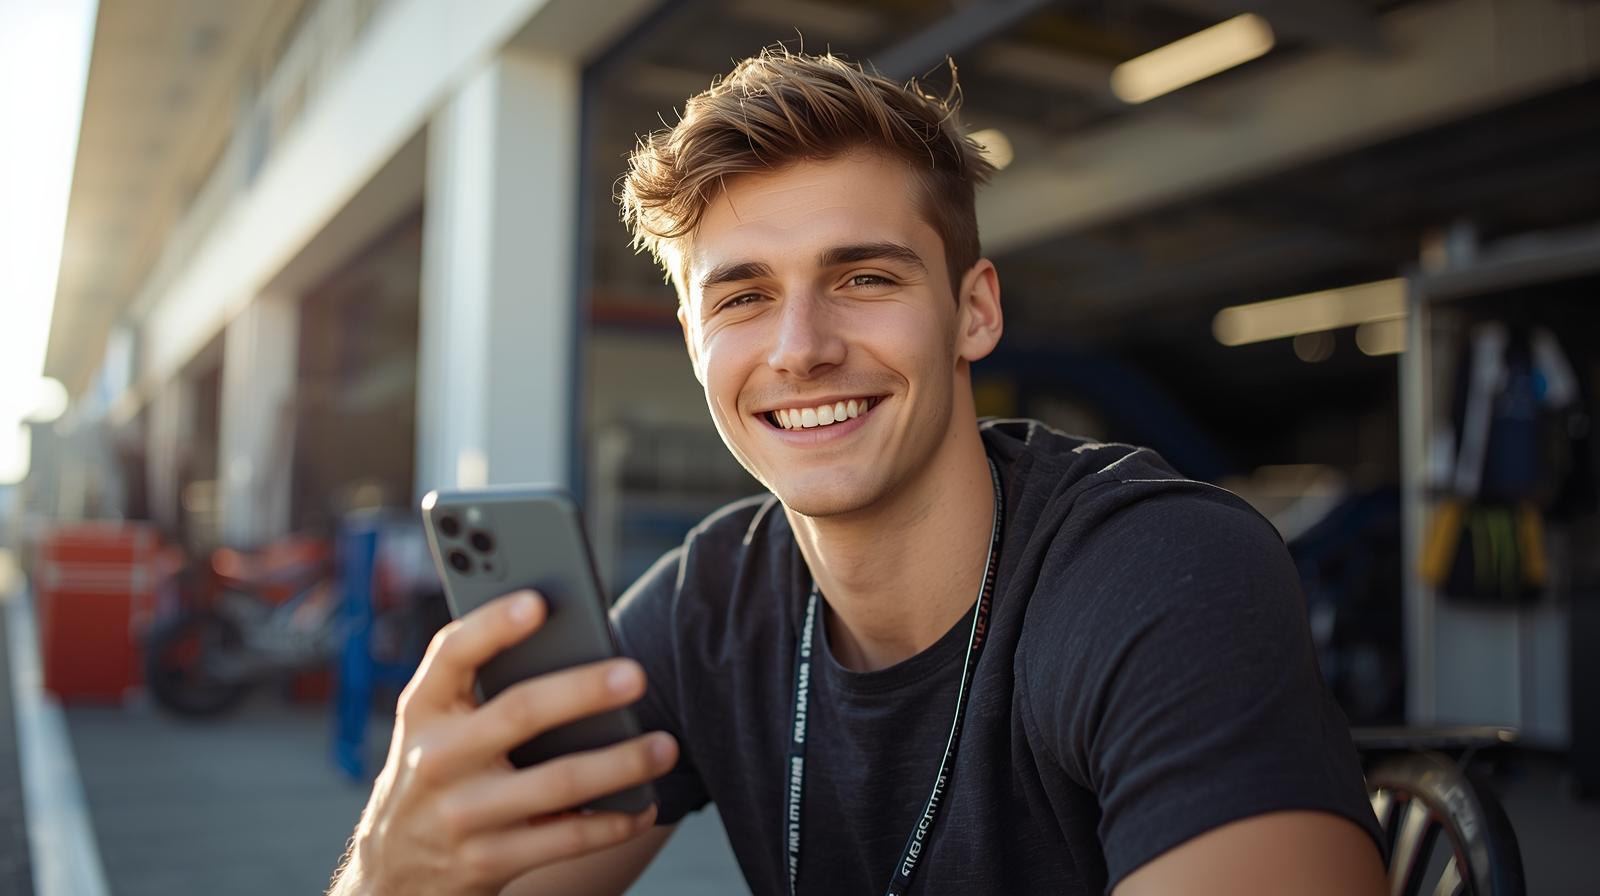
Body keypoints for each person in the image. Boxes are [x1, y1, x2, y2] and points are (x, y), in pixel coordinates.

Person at [328, 48, 1387, 896]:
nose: (800, 346)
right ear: (696, 343)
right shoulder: (714, 604)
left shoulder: (1158, 572)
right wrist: (393, 869)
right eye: (741, 297)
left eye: (863, 275)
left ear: (973, 309)